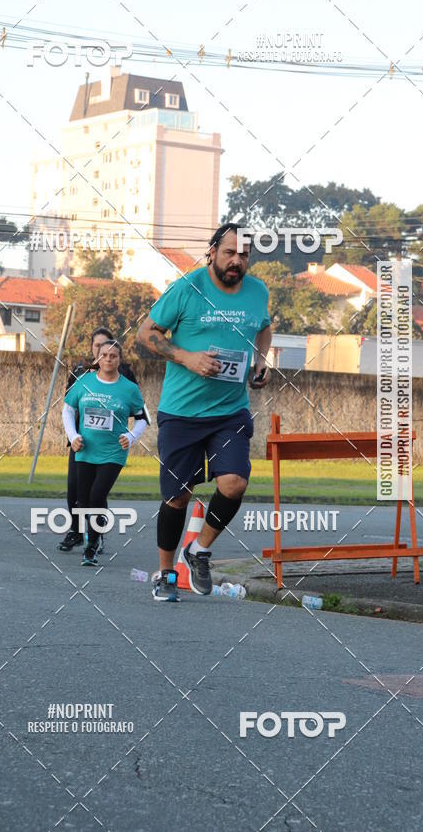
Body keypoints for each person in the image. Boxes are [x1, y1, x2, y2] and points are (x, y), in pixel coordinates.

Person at [137, 223, 271, 602]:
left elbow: (263, 328)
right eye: (229, 252)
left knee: (235, 483)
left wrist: (261, 361)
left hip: (230, 410)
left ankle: (199, 549)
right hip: (182, 412)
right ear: (212, 251)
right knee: (178, 496)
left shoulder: (257, 291)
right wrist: (187, 357)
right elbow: (146, 334)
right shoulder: (188, 288)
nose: (236, 261)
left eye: (243, 255)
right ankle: (165, 574)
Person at [62, 339, 148, 566]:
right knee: (82, 500)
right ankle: (92, 536)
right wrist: (73, 437)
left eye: (113, 356)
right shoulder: (84, 382)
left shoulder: (129, 389)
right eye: (104, 355)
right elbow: (68, 410)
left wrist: (131, 437)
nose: (108, 359)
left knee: (97, 495)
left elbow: (142, 419)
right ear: (97, 358)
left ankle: (91, 546)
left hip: (113, 451)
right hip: (85, 449)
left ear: (119, 360)